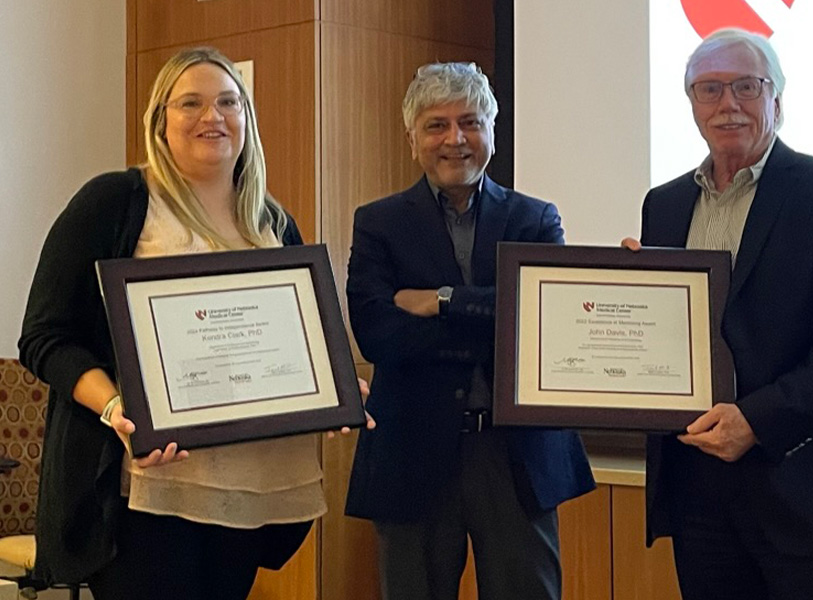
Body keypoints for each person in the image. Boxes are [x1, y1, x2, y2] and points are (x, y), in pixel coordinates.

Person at [18, 47, 371, 600]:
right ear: (160, 120)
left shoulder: (273, 223)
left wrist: (332, 392)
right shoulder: (115, 201)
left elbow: (300, 343)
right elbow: (44, 337)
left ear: (247, 119)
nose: (213, 116)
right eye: (191, 103)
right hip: (148, 494)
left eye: (229, 102)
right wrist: (117, 407)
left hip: (249, 491)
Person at [623, 28, 813, 600]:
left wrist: (757, 420)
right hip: (698, 491)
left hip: (807, 489)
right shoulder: (664, 204)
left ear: (777, 99)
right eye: (710, 89)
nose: (728, 104)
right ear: (692, 103)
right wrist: (631, 296)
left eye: (746, 86)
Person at [344, 62, 595, 600]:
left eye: (470, 122)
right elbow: (377, 334)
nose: (455, 139)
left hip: (515, 456)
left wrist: (441, 301)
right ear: (412, 138)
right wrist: (491, 319)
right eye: (436, 125)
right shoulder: (378, 223)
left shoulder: (537, 219)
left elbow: (541, 322)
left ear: (492, 132)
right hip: (412, 454)